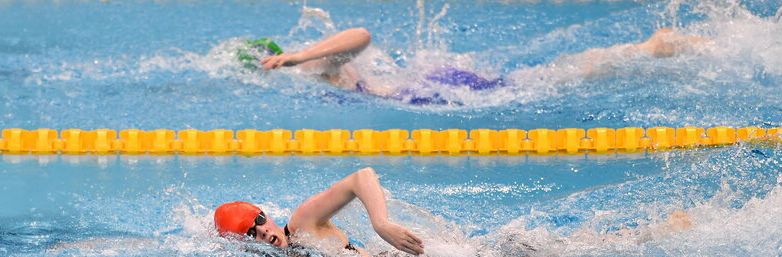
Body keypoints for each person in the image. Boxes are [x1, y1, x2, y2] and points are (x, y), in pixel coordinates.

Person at [249, 27, 709, 103]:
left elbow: (362, 36)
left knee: (554, 79)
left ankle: (649, 49)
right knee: (553, 76)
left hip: (435, 91)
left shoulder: (315, 67)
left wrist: (299, 57)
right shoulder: (319, 73)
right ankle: (645, 49)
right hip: (435, 90)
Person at [214, 167, 423, 257]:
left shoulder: (303, 222)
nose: (263, 231)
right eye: (251, 233)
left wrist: (381, 224)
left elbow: (361, 177)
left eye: (259, 220)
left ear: (266, 215)